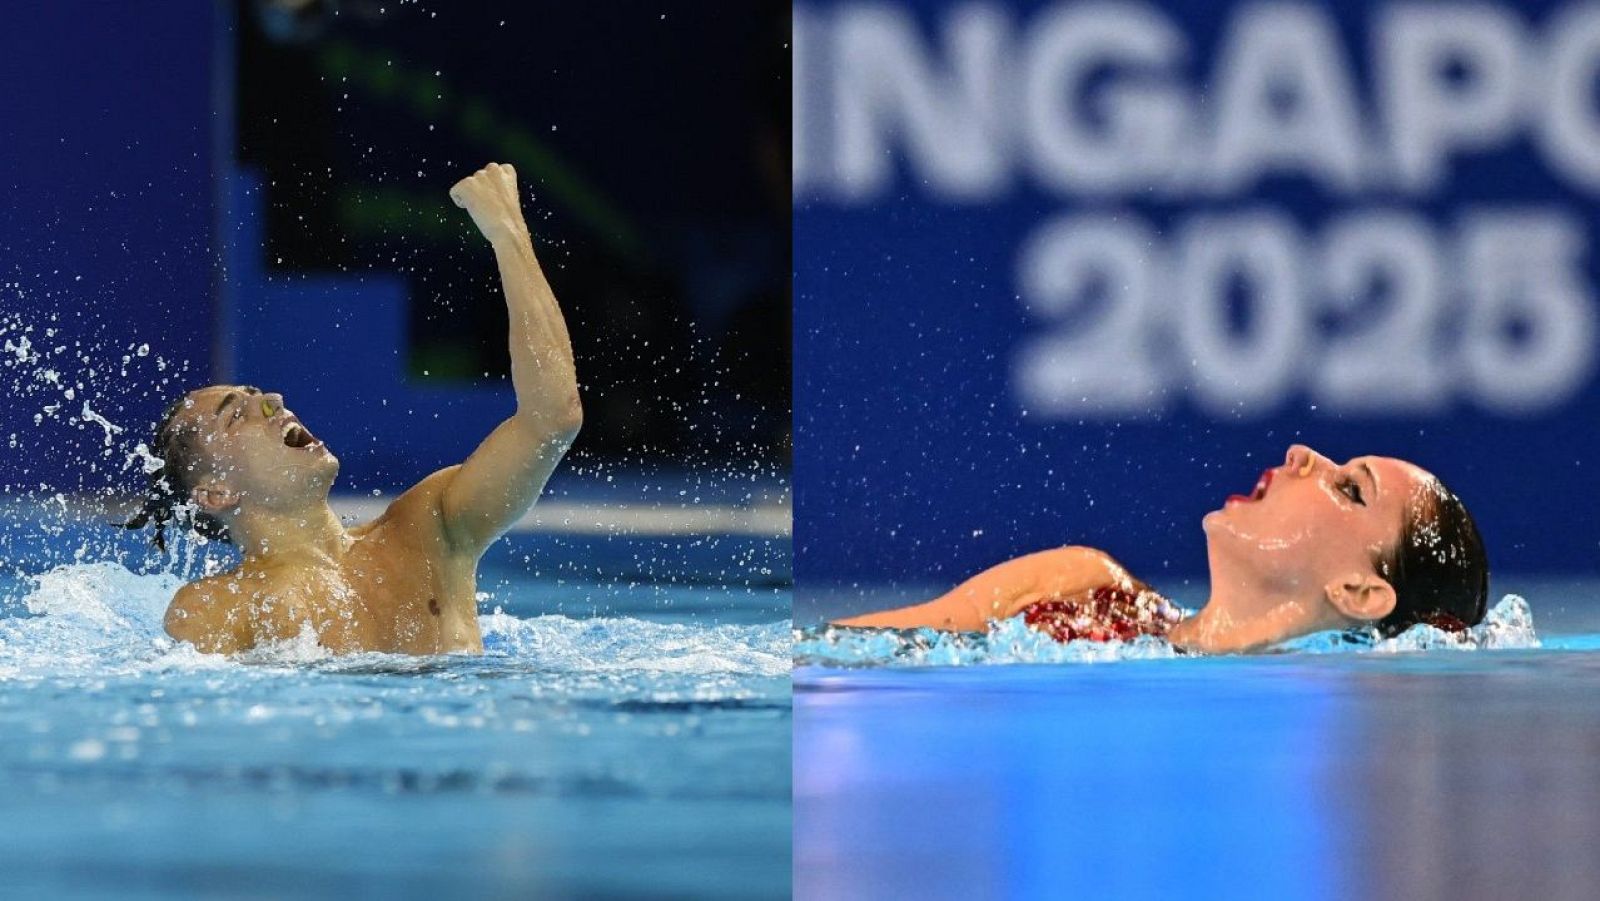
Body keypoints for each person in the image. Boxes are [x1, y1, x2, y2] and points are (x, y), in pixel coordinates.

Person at [123, 163, 581, 655]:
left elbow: (552, 418)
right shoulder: (217, 608)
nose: (272, 404)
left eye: (261, 396)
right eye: (238, 414)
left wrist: (507, 231)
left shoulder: (429, 527)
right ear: (215, 492)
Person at [833, 445, 1488, 653]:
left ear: (1359, 593)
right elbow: (826, 655)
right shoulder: (1078, 588)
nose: (1301, 455)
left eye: (1349, 488)